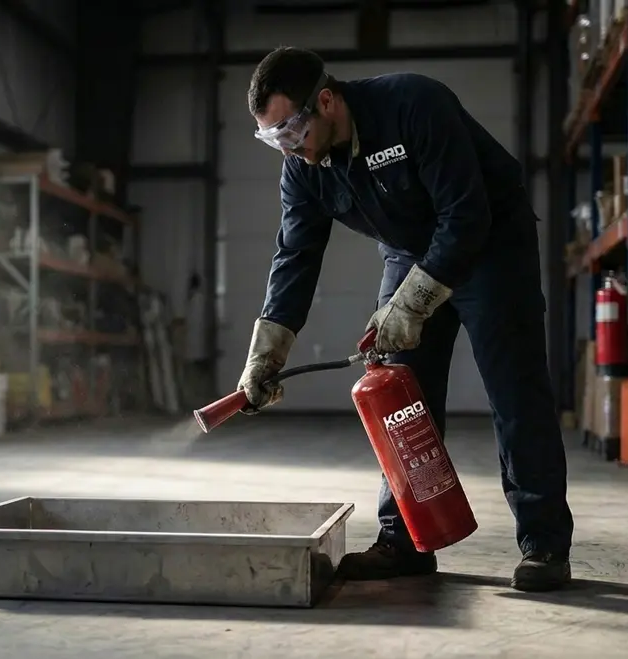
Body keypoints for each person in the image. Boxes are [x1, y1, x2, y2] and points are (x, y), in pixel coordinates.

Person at [237, 46, 575, 592]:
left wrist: (413, 303)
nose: (289, 150)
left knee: (516, 393)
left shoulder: (413, 104)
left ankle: (543, 544)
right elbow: (295, 257)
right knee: (399, 399)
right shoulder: (304, 170)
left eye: (292, 131)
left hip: (490, 243)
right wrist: (267, 352)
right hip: (408, 251)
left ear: (326, 101)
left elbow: (466, 216)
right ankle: (405, 542)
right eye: (274, 139)